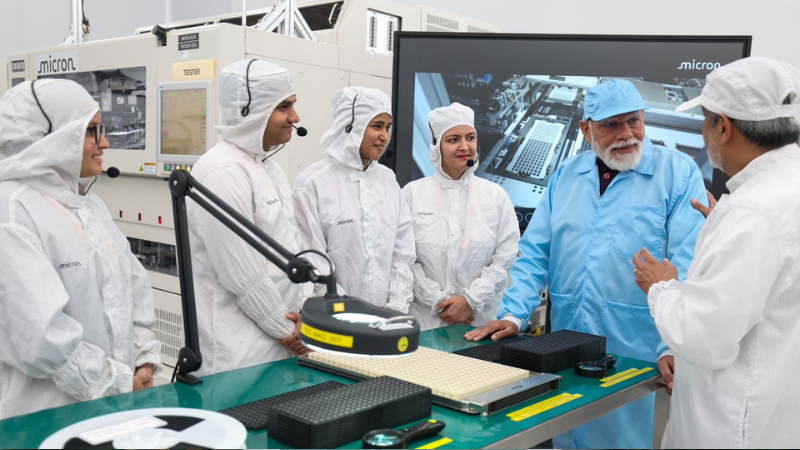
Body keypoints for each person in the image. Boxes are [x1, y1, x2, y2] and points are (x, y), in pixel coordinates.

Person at [465, 79, 708, 449]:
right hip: (567, 348)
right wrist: (514, 314)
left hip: (638, 353)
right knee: (567, 436)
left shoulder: (677, 174)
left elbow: (688, 264)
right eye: (611, 125)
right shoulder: (566, 176)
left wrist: (671, 345)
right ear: (585, 129)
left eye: (634, 121)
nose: (627, 134)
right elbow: (535, 252)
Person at [633, 57, 800, 449]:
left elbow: (706, 337)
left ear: (723, 127)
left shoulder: (753, 214)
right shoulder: (776, 197)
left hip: (734, 429)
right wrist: (725, 230)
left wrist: (662, 288)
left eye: (705, 120)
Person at [0, 79, 162, 419]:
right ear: (49, 139)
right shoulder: (12, 211)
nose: (103, 143)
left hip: (109, 406)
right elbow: (42, 338)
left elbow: (132, 286)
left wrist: (143, 358)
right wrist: (116, 382)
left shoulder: (88, 204)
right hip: (46, 417)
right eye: (89, 131)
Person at [188, 60, 312, 376]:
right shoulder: (221, 171)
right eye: (284, 107)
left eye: (293, 105)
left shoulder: (269, 168)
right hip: (237, 354)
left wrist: (299, 316)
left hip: (279, 341)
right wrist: (287, 332)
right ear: (249, 111)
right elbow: (241, 274)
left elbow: (289, 253)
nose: (295, 118)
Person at [292, 87, 415, 312]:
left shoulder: (388, 180)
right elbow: (312, 261)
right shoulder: (312, 184)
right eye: (376, 126)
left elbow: (402, 254)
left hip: (387, 318)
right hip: (335, 319)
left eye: (388, 127)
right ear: (350, 126)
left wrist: (395, 308)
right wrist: (350, 313)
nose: (385, 136)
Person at [402, 103, 519, 330]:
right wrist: (440, 304)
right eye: (453, 139)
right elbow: (404, 260)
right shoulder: (412, 194)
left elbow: (506, 259)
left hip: (479, 322)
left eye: (470, 138)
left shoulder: (495, 196)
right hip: (425, 322)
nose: (465, 146)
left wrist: (470, 301)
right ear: (437, 147)